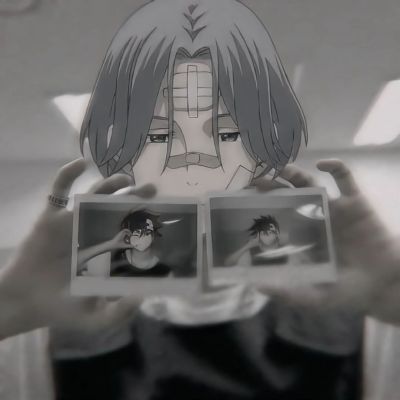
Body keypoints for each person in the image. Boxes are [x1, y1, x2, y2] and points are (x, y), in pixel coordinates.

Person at [0, 0, 399, 399]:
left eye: (226, 133)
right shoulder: (53, 314)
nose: (194, 156)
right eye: (159, 136)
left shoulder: (356, 303)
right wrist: (11, 305)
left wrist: (392, 293)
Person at [77, 209, 171, 277]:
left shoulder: (164, 271)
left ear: (153, 236)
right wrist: (111, 244)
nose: (141, 237)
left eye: (147, 233)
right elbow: (73, 264)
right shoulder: (108, 260)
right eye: (137, 233)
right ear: (128, 235)